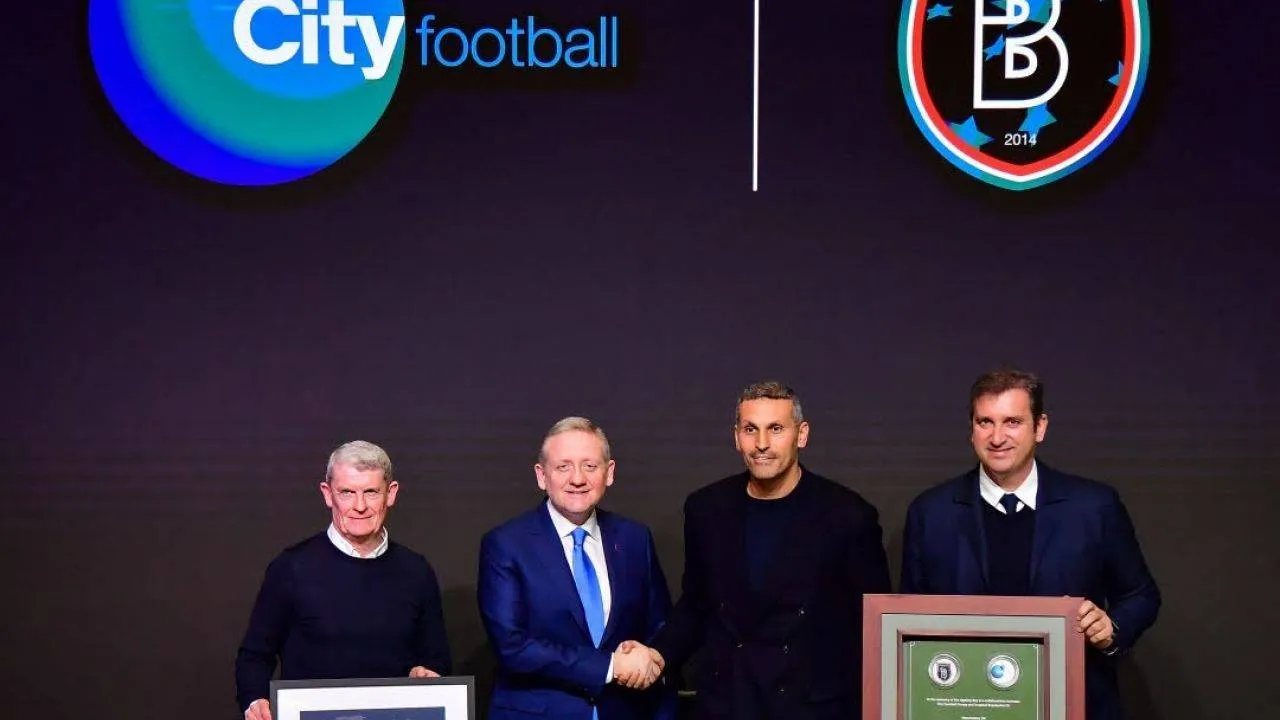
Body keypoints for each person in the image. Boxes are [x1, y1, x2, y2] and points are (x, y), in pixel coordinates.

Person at [900, 367, 1161, 720]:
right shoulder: (931, 513)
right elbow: (910, 622)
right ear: (971, 429)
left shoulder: (1094, 506)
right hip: (965, 705)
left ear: (1040, 427)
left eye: (1012, 422)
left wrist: (1110, 628)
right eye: (985, 422)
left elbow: (1141, 595)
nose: (997, 437)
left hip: (1072, 701)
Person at [652, 381, 892, 720]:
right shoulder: (707, 508)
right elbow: (696, 604)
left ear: (801, 435)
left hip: (810, 709)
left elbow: (872, 628)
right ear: (736, 437)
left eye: (775, 428)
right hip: (727, 704)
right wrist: (657, 655)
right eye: (751, 429)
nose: (761, 443)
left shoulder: (848, 516)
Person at [234, 441, 452, 720]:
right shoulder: (291, 568)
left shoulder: (416, 571)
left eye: (371, 492)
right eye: (347, 492)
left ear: (391, 494)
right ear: (328, 494)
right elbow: (254, 655)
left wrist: (429, 674)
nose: (359, 506)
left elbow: (437, 658)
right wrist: (255, 699)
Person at [478, 416, 676, 720]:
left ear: (609, 473)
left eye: (590, 466)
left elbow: (660, 625)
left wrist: (650, 657)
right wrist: (610, 666)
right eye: (563, 467)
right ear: (541, 476)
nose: (578, 479)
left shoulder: (634, 538)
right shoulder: (506, 544)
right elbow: (512, 646)